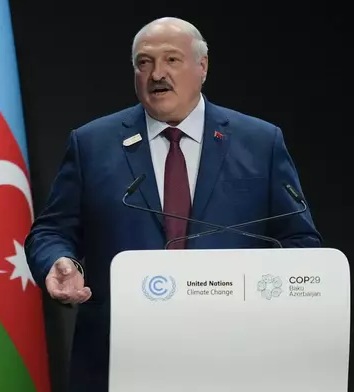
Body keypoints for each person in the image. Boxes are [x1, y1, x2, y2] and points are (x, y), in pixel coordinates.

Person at [24, 16, 322, 391]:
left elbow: (300, 241)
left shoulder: (260, 142)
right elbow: (51, 231)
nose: (156, 74)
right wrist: (58, 261)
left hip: (234, 357)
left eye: (171, 60)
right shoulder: (92, 144)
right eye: (143, 63)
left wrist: (259, 299)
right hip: (119, 357)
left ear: (203, 66)